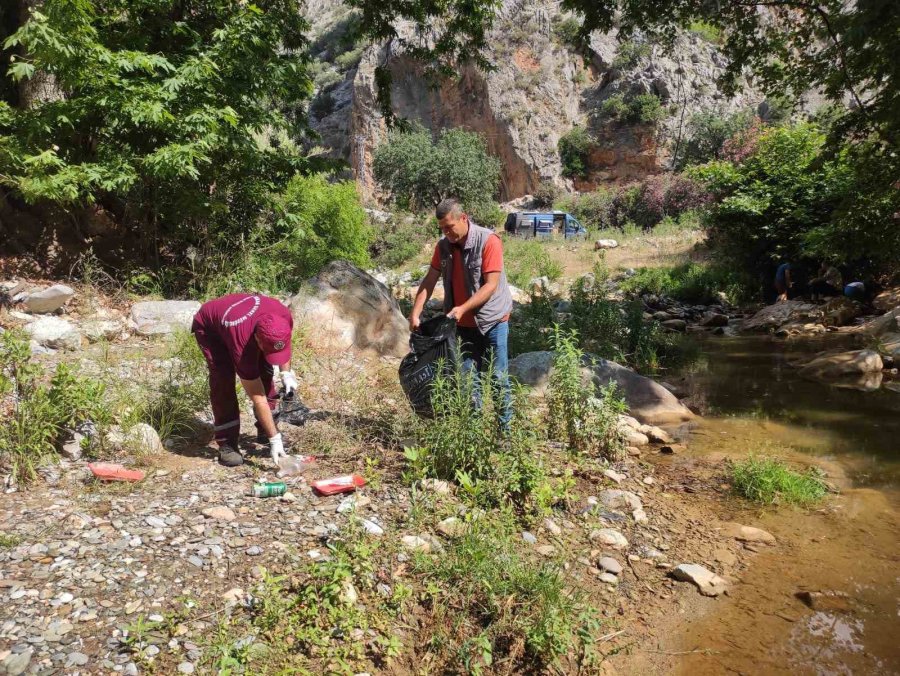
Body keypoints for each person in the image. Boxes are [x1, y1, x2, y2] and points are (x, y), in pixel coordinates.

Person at [409, 198, 514, 429]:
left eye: (449, 227)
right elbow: (429, 280)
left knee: (497, 377)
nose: (446, 233)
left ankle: (504, 432)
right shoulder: (443, 246)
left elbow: (491, 285)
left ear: (463, 218)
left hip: (493, 320)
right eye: (442, 229)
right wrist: (415, 313)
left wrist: (463, 308)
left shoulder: (489, 240)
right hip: (462, 325)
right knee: (467, 378)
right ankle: (473, 431)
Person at [191, 293, 298, 467]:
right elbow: (258, 398)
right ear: (257, 339)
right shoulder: (241, 344)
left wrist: (286, 374)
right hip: (211, 329)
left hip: (243, 321)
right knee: (223, 379)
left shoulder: (283, 316)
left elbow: (282, 343)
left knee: (265, 369)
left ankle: (266, 427)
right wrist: (275, 440)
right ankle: (227, 443)